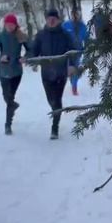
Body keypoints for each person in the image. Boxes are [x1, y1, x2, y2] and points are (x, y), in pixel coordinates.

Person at [28, 8, 78, 139]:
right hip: (46, 73)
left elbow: (73, 50)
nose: (51, 21)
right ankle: (56, 112)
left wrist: (72, 65)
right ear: (46, 20)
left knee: (57, 100)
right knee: (51, 100)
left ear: (58, 20)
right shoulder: (40, 35)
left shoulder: (65, 34)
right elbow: (34, 50)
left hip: (61, 73)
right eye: (49, 19)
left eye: (54, 19)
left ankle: (54, 128)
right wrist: (31, 60)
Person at [0, 13, 31, 135]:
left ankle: (8, 124)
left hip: (17, 72)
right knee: (7, 97)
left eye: (11, 24)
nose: (9, 26)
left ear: (15, 25)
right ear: (4, 24)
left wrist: (25, 57)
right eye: (7, 24)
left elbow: (31, 49)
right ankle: (13, 105)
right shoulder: (1, 37)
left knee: (10, 96)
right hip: (4, 71)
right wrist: (0, 57)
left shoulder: (20, 36)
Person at [62, 9, 90, 95]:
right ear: (71, 15)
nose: (75, 16)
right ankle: (70, 77)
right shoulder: (66, 25)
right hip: (66, 51)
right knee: (68, 69)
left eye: (77, 14)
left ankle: (74, 86)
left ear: (79, 15)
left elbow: (87, 39)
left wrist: (87, 49)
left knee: (76, 69)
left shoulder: (83, 26)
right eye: (73, 14)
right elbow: (60, 36)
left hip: (78, 51)